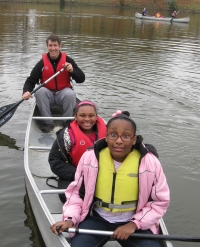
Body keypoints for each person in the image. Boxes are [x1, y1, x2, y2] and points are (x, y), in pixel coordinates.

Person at [50, 111, 170, 247]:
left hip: (133, 221)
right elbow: (76, 194)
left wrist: (134, 224)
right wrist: (70, 219)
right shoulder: (90, 158)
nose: (118, 141)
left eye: (126, 136)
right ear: (106, 137)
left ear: (134, 139)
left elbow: (159, 201)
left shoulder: (150, 163)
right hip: (98, 218)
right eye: (113, 135)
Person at [22, 34, 85, 133]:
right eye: (50, 45)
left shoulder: (68, 61)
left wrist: (73, 71)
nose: (53, 48)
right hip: (48, 96)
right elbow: (31, 80)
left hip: (63, 94)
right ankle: (48, 123)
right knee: (39, 92)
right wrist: (26, 91)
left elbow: (81, 79)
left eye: (55, 45)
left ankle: (67, 122)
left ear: (60, 46)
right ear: (47, 46)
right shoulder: (41, 63)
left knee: (70, 94)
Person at [48, 100, 106, 203]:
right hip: (75, 173)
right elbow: (55, 161)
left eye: (91, 115)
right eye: (82, 115)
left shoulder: (109, 133)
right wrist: (80, 174)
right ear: (75, 116)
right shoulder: (66, 135)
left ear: (97, 116)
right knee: (65, 196)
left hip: (102, 173)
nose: (87, 119)